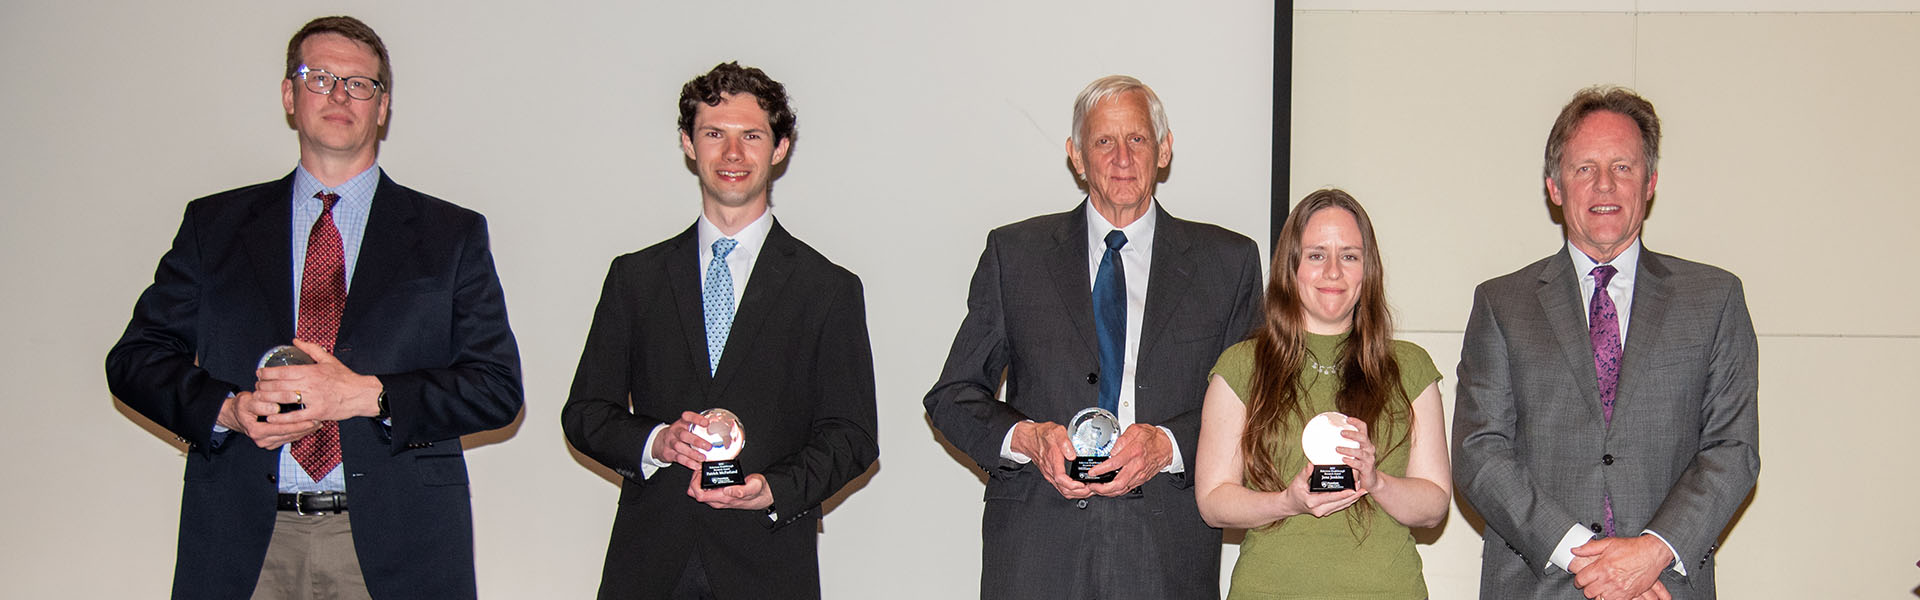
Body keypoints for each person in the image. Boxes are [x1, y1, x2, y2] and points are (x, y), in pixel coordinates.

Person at [104, 15, 523, 599]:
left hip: (399, 542)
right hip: (243, 537)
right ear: (289, 95)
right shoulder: (215, 225)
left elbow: (497, 387)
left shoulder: (450, 234)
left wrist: (365, 395)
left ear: (382, 108)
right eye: (319, 77)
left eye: (360, 84)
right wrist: (228, 409)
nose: (339, 95)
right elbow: (135, 359)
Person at [924, 75, 1262, 599]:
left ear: (1164, 150)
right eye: (1104, 141)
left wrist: (1167, 445)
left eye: (1138, 140)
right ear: (1076, 157)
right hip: (1037, 551)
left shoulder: (1228, 263)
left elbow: (1253, 405)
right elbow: (952, 396)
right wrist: (1028, 439)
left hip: (1167, 549)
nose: (1122, 158)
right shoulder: (1015, 255)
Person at [561, 61, 879, 599]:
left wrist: (772, 490)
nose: (733, 154)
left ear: (779, 149)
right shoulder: (634, 278)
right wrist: (657, 441)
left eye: (751, 136)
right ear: (688, 144)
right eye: (715, 134)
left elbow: (852, 436)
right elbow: (586, 413)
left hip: (769, 562)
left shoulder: (828, 288)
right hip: (649, 562)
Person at [1452, 86, 1760, 600]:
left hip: (1665, 586)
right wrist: (1590, 558)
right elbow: (1478, 451)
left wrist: (1651, 553)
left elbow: (1733, 448)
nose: (1604, 185)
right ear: (1554, 186)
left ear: (1650, 182)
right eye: (1584, 168)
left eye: (1623, 167)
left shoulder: (1715, 299)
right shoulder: (1501, 304)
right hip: (1538, 585)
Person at [1193, 189, 1451, 599]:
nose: (1333, 271)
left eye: (1349, 255)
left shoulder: (1410, 366)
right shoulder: (1242, 365)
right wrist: (1286, 502)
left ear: (1368, 270)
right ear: (1290, 267)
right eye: (1316, 255)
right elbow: (1213, 500)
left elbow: (1434, 503)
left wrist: (1376, 480)